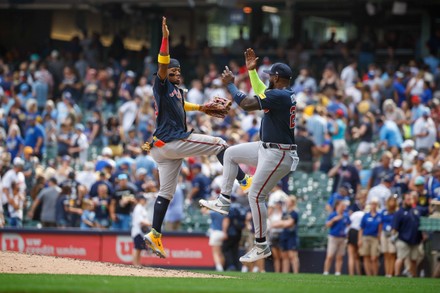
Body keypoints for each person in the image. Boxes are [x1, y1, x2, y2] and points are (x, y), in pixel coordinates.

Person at [143, 17, 251, 259]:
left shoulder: (177, 92)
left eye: (179, 70)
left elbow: (183, 104)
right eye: (173, 71)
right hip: (172, 141)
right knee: (221, 144)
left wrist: (202, 108)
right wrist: (165, 39)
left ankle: (155, 235)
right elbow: (162, 63)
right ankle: (245, 182)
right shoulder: (161, 85)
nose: (176, 73)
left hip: (161, 149)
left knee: (166, 193)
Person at [201, 48, 299, 264]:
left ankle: (261, 245)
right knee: (230, 153)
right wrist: (252, 71)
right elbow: (262, 92)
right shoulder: (283, 94)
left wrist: (230, 85)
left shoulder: (280, 95)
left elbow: (246, 104)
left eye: (270, 76)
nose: (268, 79)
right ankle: (224, 199)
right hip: (267, 148)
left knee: (256, 195)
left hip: (279, 153)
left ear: (277, 78)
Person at [393, 193, 423, 277]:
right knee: (401, 258)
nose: (410, 201)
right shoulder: (400, 212)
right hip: (403, 239)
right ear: (403, 200)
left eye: (411, 199)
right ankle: (397, 275)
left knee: (414, 259)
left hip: (415, 239)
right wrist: (393, 238)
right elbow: (394, 228)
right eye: (408, 199)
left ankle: (413, 276)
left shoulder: (415, 210)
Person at [271, 195, 300, 273]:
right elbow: (275, 224)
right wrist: (283, 223)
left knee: (292, 255)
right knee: (284, 256)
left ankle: (296, 273)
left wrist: (281, 223)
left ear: (292, 202)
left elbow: (289, 223)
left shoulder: (295, 212)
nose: (286, 202)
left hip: (291, 236)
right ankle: (285, 273)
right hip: (284, 236)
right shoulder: (285, 212)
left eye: (288, 201)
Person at [323, 200, 350, 275]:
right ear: (337, 206)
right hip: (333, 237)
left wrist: (347, 233)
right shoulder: (333, 214)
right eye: (342, 205)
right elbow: (327, 225)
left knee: (340, 256)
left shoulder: (345, 215)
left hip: (343, 238)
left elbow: (348, 225)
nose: (343, 207)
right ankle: (326, 272)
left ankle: (338, 272)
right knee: (330, 256)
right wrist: (334, 220)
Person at [358, 198, 382, 276]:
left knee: (374, 257)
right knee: (366, 256)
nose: (373, 206)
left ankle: (375, 274)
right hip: (365, 237)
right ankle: (368, 275)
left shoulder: (379, 216)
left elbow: (380, 228)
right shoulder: (366, 215)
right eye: (372, 204)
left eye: (375, 204)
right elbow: (361, 228)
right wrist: (360, 239)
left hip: (374, 238)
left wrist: (379, 237)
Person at [131, 194, 151, 266]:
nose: (145, 201)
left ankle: (138, 264)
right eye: (144, 200)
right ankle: (135, 264)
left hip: (141, 231)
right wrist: (150, 224)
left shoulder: (142, 208)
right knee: (136, 248)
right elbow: (140, 221)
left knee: (139, 248)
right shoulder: (138, 208)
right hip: (137, 231)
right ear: (141, 200)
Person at [381, 195, 398, 277]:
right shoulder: (384, 211)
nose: (392, 203)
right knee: (386, 253)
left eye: (393, 201)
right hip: (384, 233)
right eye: (390, 201)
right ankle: (387, 273)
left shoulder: (397, 212)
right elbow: (381, 223)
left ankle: (391, 273)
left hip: (392, 233)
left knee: (392, 253)